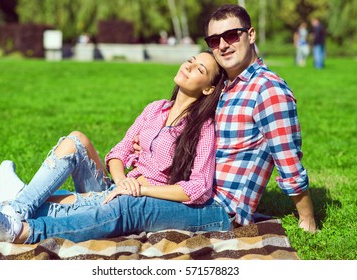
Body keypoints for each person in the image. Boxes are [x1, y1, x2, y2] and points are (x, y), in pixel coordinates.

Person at [0, 51, 229, 248]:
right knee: (75, 140)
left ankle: (10, 209)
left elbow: (199, 188)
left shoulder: (202, 128)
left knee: (58, 205)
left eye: (199, 69)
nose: (188, 66)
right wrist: (121, 181)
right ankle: (14, 207)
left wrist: (138, 189)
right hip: (117, 188)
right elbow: (118, 152)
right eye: (190, 61)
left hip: (141, 198)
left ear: (208, 88)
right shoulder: (155, 109)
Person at [135, 4, 317, 232]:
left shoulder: (268, 90)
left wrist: (307, 219)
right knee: (111, 198)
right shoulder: (220, 88)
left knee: (128, 207)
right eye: (213, 40)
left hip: (218, 207)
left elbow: (288, 161)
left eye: (231, 35)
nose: (222, 45)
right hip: (183, 190)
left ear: (251, 35)